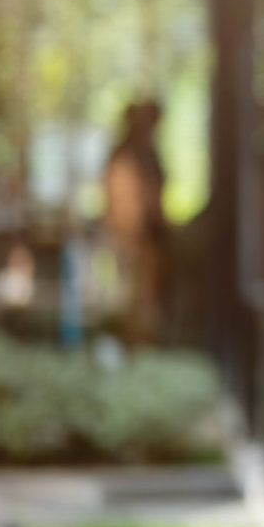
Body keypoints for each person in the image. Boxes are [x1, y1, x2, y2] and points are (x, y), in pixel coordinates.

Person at [103, 100, 168, 347]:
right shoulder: (124, 156)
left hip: (146, 239)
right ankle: (132, 343)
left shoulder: (148, 154)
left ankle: (143, 344)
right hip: (131, 239)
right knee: (131, 299)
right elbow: (125, 205)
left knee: (145, 300)